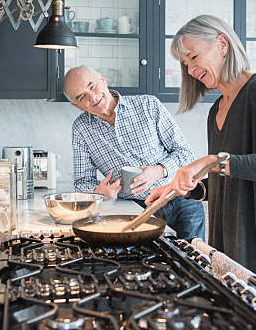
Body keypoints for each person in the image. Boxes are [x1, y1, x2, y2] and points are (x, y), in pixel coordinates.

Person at [145, 15, 256, 325]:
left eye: (193, 57)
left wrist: (214, 161)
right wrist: (191, 187)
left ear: (222, 44)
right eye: (185, 63)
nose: (190, 69)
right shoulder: (217, 109)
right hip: (247, 239)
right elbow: (230, 176)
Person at [64, 65, 205, 240]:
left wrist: (159, 170)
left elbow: (185, 153)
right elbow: (82, 181)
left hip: (182, 197)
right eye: (81, 97)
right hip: (137, 209)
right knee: (150, 262)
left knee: (193, 259)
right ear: (76, 105)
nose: (92, 97)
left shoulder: (148, 104)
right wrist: (98, 192)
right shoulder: (81, 129)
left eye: (92, 86)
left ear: (102, 80)